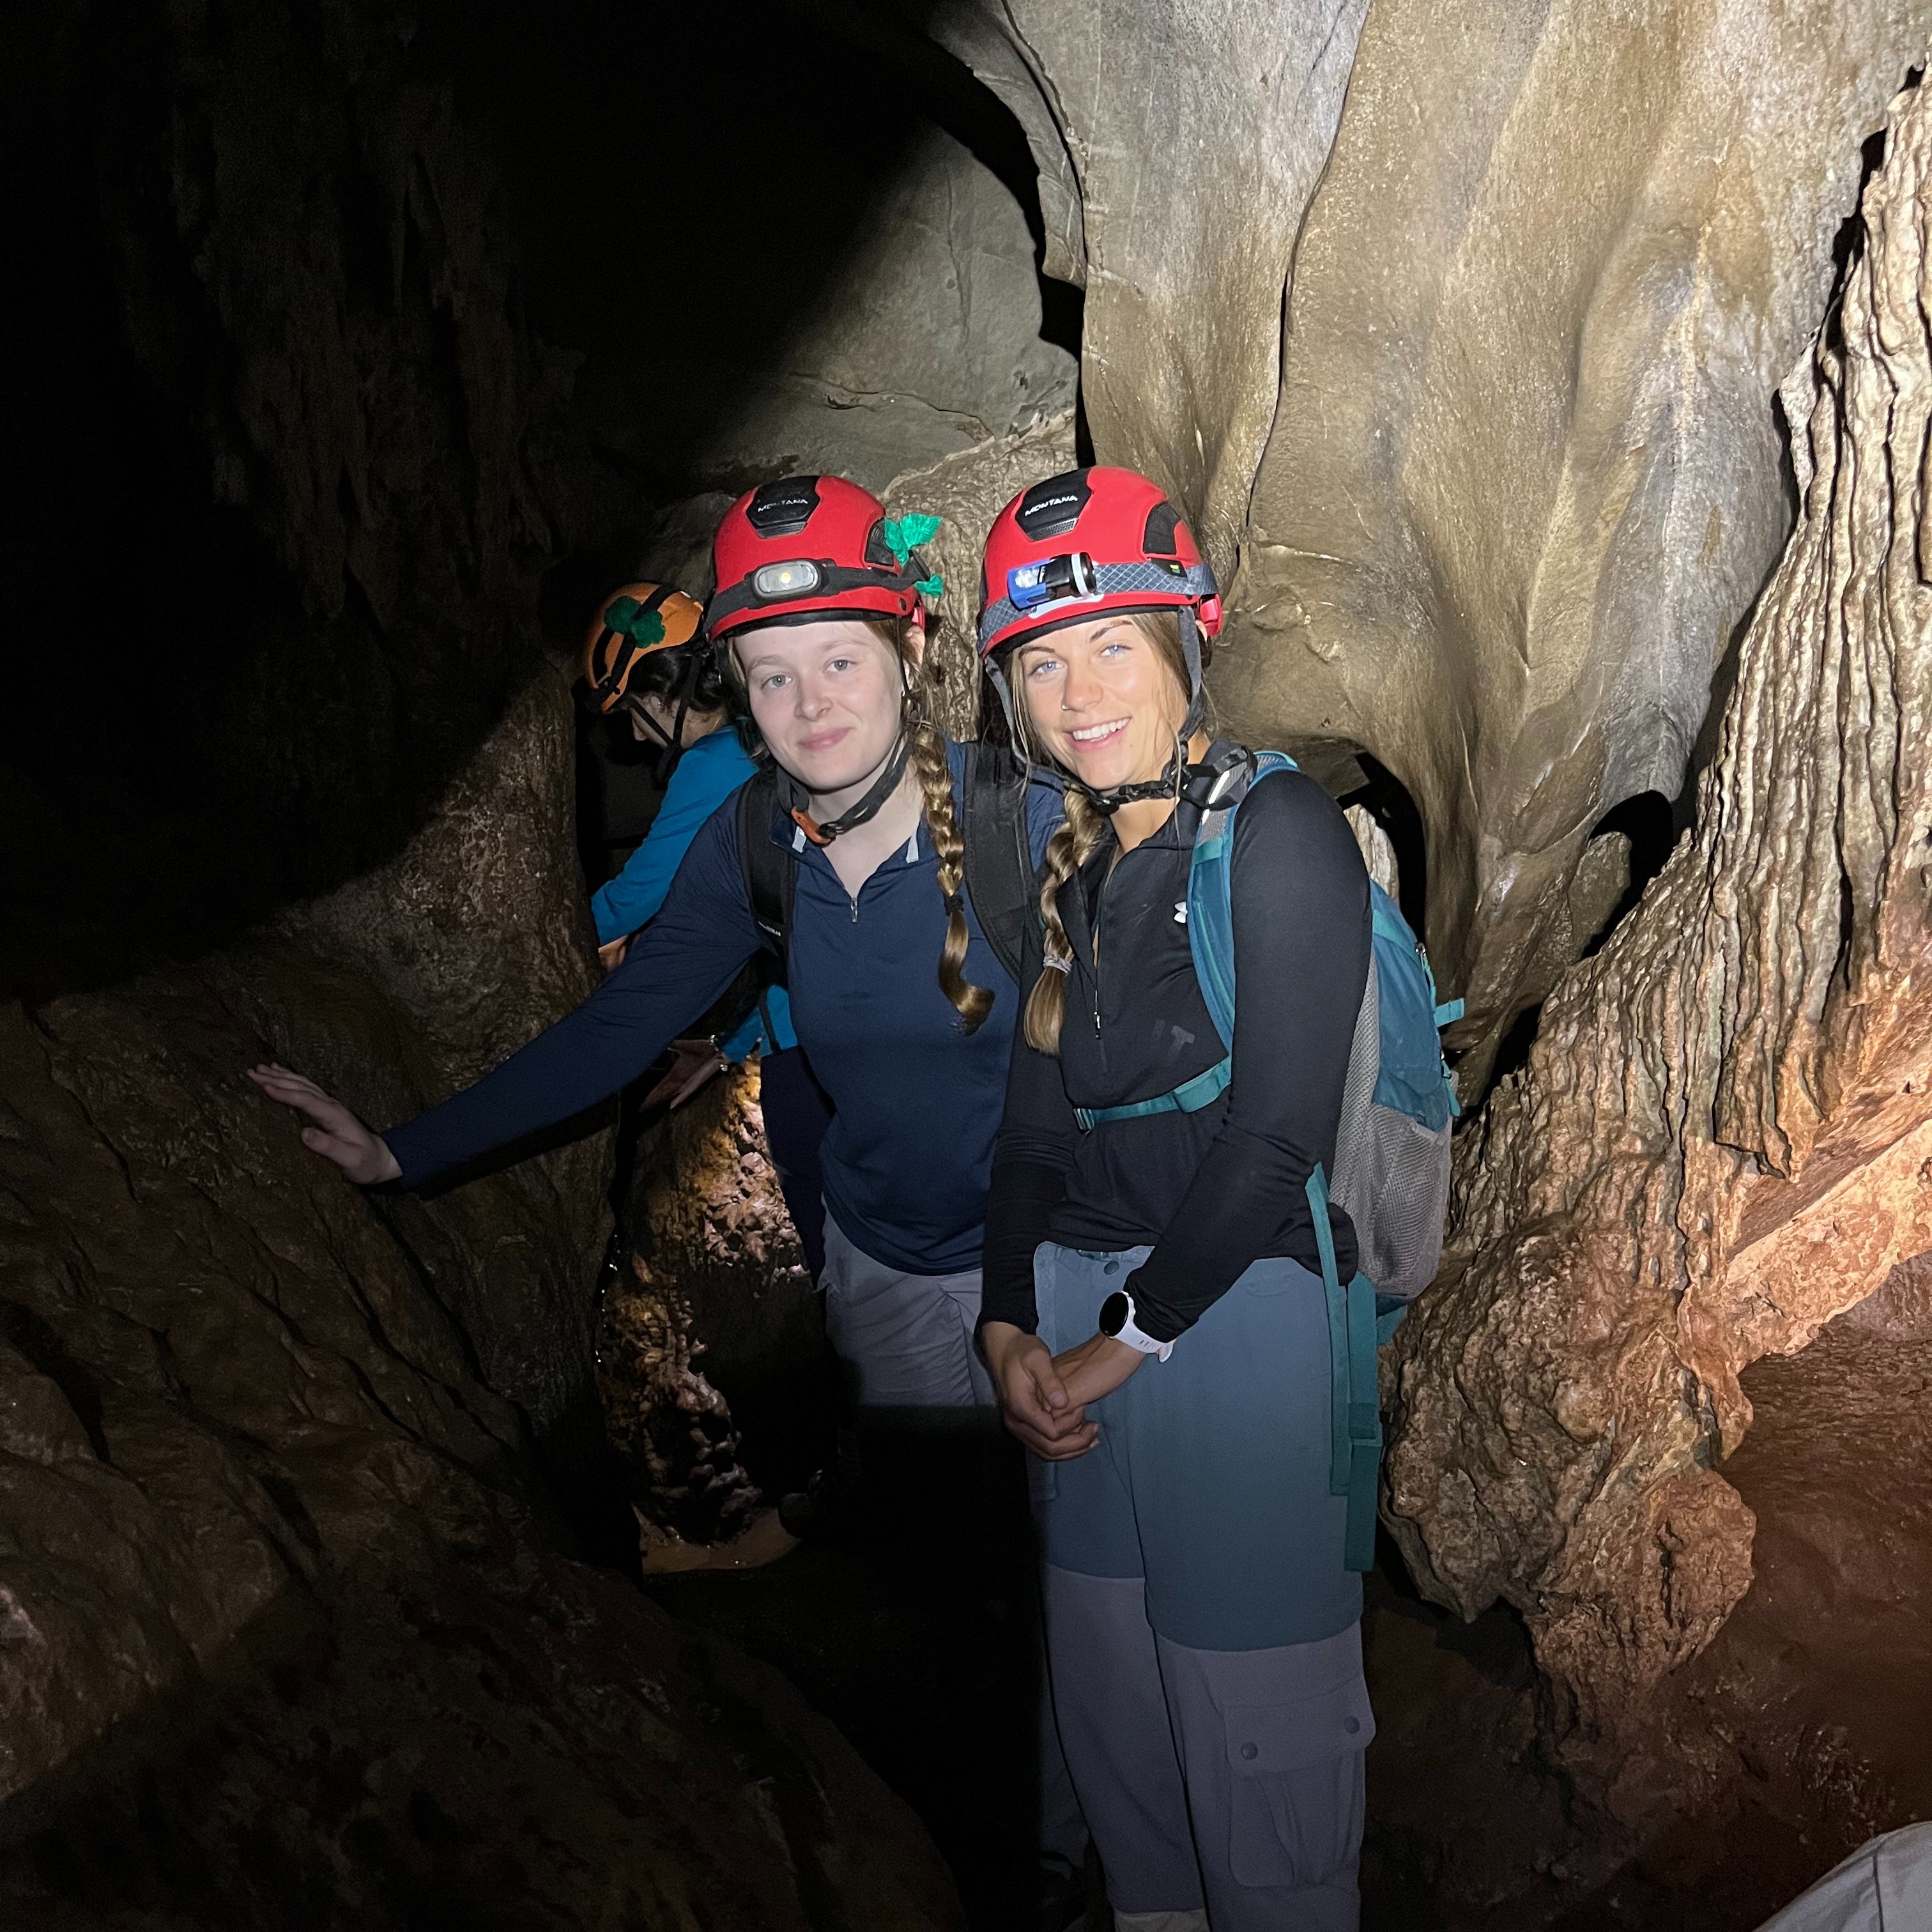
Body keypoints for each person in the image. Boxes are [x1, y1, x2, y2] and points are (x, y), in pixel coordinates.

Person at [247, 473, 1089, 1926]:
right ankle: (1008, 1854)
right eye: (773, 672)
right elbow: (609, 1036)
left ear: (904, 650)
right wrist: (403, 1150)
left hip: (1053, 1272)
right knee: (968, 1596)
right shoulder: (754, 841)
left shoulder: (1021, 828)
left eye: (840, 657)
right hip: (894, 1283)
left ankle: (1096, 1856)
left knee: (1093, 1598)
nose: (812, 701)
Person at [974, 467, 1377, 1931]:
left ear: (1185, 647)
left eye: (1111, 646)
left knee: (1252, 1741)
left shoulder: (1278, 839)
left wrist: (1112, 1346)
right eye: (1040, 660)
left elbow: (1275, 1141)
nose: (1077, 691)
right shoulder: (1070, 875)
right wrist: (1007, 1321)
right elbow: (1029, 1129)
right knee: (1123, 1739)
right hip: (1079, 1326)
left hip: (1234, 1329)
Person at [579, 579, 832, 1276]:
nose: (631, 733)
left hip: (814, 1064)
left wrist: (554, 935)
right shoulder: (766, 739)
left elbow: (639, 894)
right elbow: (803, 935)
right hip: (824, 1025)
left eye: (633, 709)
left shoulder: (716, 763)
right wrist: (731, 1046)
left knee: (849, 1279)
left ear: (665, 693)